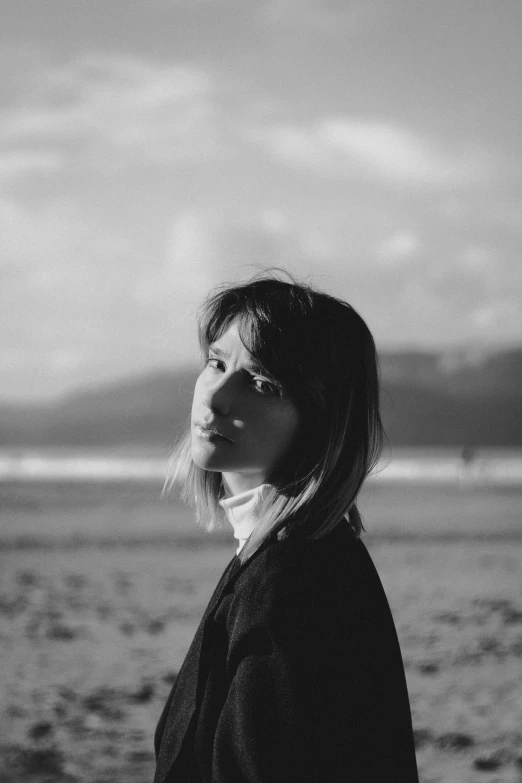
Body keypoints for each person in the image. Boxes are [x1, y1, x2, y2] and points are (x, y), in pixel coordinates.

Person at [154, 273, 419, 783]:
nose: (217, 399)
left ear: (318, 422)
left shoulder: (294, 582)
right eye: (217, 362)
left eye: (262, 383)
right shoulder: (282, 558)